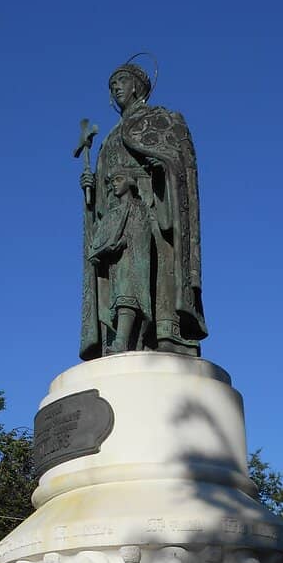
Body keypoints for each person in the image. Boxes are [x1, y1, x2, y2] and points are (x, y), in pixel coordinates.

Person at [80, 62, 207, 358]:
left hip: (148, 210)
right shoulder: (110, 137)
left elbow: (175, 162)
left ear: (137, 85)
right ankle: (122, 338)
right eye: (112, 85)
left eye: (121, 81)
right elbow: (105, 186)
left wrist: (159, 170)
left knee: (151, 274)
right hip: (115, 217)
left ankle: (165, 332)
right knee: (120, 278)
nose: (116, 88)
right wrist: (93, 187)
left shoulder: (158, 120)